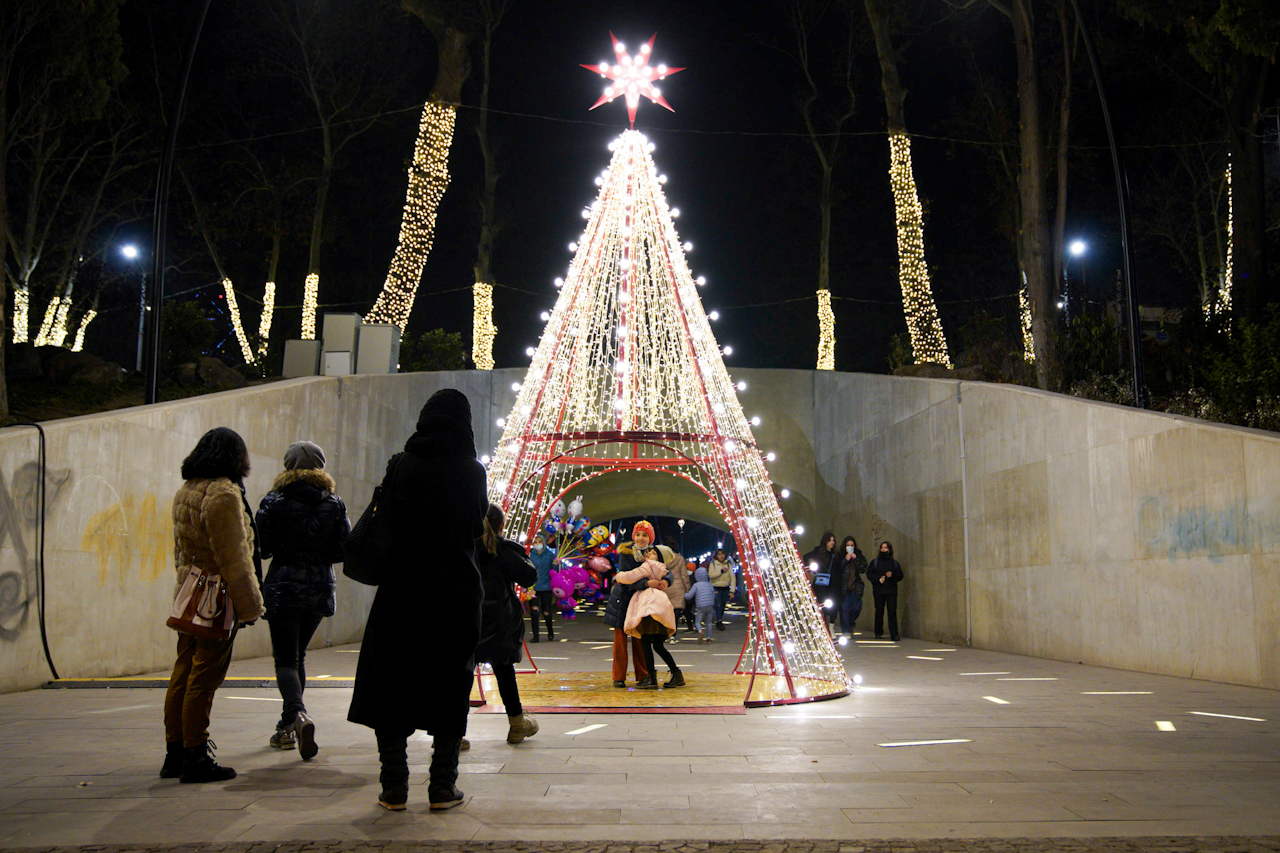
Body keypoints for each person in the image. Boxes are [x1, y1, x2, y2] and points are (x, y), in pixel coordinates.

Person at [347, 389, 487, 812]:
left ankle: (393, 786)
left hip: (402, 588)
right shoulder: (471, 471)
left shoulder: (402, 465)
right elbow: (475, 528)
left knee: (391, 679)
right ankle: (442, 786)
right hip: (456, 591)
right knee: (451, 681)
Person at [163, 427, 265, 784]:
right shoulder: (223, 494)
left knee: (182, 671)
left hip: (189, 591)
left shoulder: (186, 490)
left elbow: (181, 549)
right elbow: (234, 557)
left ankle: (174, 753)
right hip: (216, 598)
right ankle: (195, 755)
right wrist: (250, 605)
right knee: (204, 678)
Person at [255, 440, 349, 759]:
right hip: (320, 586)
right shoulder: (334, 503)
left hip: (283, 585)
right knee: (300, 656)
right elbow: (342, 548)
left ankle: (297, 714)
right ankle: (286, 726)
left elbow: (262, 546)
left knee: (285, 659)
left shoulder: (275, 500)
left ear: (288, 466)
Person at [474, 503, 540, 744]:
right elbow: (529, 575)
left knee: (461, 675)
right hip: (499, 621)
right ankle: (516, 724)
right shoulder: (502, 549)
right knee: (504, 671)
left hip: (468, 617)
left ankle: (453, 733)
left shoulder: (464, 547)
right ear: (501, 525)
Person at [615, 545, 683, 688]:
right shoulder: (663, 568)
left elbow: (630, 576)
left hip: (649, 607)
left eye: (653, 553)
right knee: (658, 645)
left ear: (659, 558)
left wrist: (619, 576)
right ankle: (676, 674)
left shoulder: (648, 566)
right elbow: (670, 575)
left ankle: (651, 678)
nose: (649, 554)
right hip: (659, 606)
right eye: (649, 552)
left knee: (646, 642)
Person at [604, 521, 655, 687]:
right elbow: (629, 578)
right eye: (638, 534)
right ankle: (618, 677)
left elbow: (660, 572)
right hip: (623, 600)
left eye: (645, 535)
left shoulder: (653, 554)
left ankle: (643, 675)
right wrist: (646, 583)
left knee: (640, 639)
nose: (641, 538)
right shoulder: (626, 553)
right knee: (620, 640)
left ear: (650, 538)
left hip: (641, 602)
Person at [803, 533, 841, 634]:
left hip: (832, 583)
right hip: (820, 583)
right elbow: (806, 557)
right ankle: (824, 629)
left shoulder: (836, 554)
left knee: (834, 606)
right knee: (821, 605)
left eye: (833, 540)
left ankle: (831, 628)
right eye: (830, 540)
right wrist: (812, 567)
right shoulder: (818, 551)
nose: (832, 542)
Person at [867, 541, 905, 641]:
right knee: (879, 611)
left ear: (890, 549)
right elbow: (869, 574)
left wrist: (892, 575)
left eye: (886, 548)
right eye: (882, 548)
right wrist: (878, 579)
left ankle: (894, 634)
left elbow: (900, 575)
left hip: (891, 591)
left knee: (892, 612)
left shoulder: (894, 563)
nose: (884, 550)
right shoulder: (875, 562)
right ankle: (878, 632)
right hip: (879, 590)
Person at [661, 536, 692, 638]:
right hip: (678, 587)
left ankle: (665, 632)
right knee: (676, 612)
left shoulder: (662, 559)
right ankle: (673, 635)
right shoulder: (680, 558)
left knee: (665, 611)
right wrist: (688, 588)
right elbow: (684, 575)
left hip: (665, 586)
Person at [527, 534, 555, 642]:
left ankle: (550, 630)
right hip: (533, 587)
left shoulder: (549, 555)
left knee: (546, 611)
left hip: (546, 586)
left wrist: (556, 564)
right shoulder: (530, 555)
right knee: (534, 611)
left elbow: (554, 570)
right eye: (536, 542)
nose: (538, 544)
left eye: (540, 542)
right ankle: (536, 635)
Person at [837, 536, 867, 635]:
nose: (850, 547)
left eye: (852, 545)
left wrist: (856, 559)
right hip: (844, 588)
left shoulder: (859, 555)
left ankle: (851, 624)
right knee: (844, 609)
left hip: (855, 588)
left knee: (857, 608)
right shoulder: (840, 555)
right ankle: (846, 631)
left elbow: (863, 568)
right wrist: (845, 560)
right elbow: (837, 569)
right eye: (848, 545)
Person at [684, 565, 717, 643]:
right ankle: (709, 638)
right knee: (708, 622)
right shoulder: (710, 584)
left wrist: (683, 594)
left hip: (700, 606)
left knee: (698, 621)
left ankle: (700, 631)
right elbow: (713, 595)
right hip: (710, 606)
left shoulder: (696, 585)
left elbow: (689, 596)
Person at [706, 548, 736, 631]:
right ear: (716, 556)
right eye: (719, 554)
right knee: (718, 604)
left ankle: (719, 619)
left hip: (725, 588)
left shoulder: (728, 564)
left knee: (722, 605)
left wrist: (732, 591)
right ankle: (719, 621)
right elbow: (711, 575)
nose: (721, 556)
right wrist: (721, 571)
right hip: (716, 587)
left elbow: (732, 577)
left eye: (722, 554)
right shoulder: (713, 564)